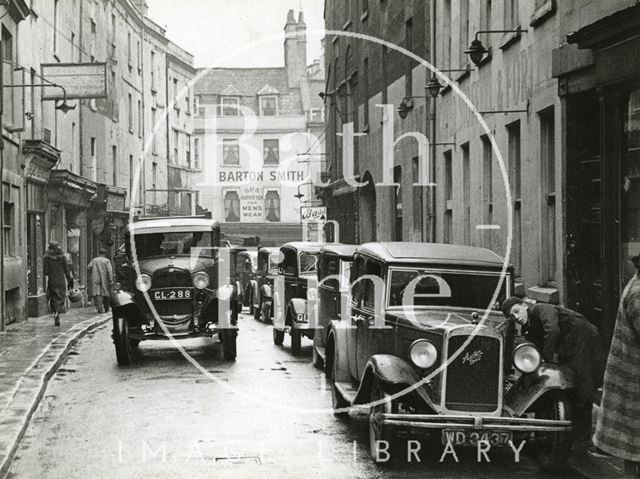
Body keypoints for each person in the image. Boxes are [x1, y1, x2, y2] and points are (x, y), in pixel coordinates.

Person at [501, 297, 605, 454]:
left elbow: (553, 330)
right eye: (512, 316)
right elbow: (532, 352)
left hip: (583, 339)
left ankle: (583, 442)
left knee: (583, 389)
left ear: (524, 305)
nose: (516, 317)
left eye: (516, 311)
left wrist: (546, 359)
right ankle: (571, 438)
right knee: (571, 388)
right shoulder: (528, 329)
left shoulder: (541, 309)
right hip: (568, 347)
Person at [593, 252, 640, 477]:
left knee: (632, 449)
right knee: (633, 447)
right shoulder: (638, 294)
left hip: (630, 380)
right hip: (633, 383)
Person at [43, 241, 73, 326]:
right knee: (61, 296)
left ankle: (55, 313)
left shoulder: (46, 258)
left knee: (53, 296)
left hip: (52, 280)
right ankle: (57, 312)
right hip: (61, 279)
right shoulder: (62, 257)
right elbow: (66, 270)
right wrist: (69, 278)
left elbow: (46, 271)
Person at [87, 248, 113, 314]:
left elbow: (89, 267)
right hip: (104, 279)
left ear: (98, 254)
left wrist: (92, 273)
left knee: (97, 293)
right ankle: (106, 308)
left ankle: (99, 308)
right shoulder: (107, 261)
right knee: (106, 293)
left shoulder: (94, 260)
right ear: (105, 254)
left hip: (95, 278)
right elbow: (109, 271)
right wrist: (110, 279)